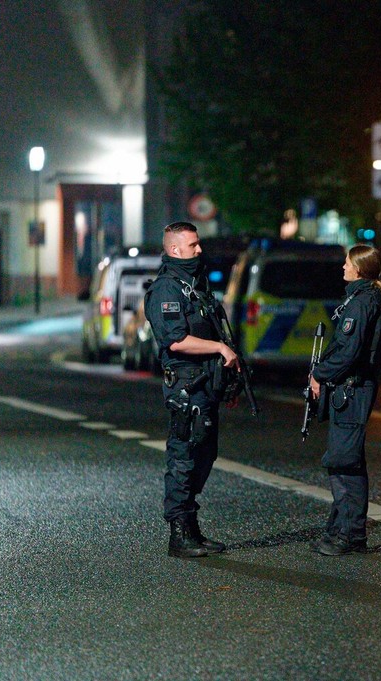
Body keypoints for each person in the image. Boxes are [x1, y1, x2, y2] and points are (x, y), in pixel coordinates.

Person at [145, 221, 238, 558]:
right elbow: (176, 340)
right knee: (184, 456)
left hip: (205, 384)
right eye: (193, 245)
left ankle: (192, 528)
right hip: (186, 387)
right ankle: (179, 533)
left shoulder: (194, 284)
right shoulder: (166, 289)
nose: (199, 249)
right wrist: (219, 348)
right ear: (175, 249)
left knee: (204, 454)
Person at [309, 244, 381, 556]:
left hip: (352, 390)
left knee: (345, 462)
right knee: (343, 460)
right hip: (350, 389)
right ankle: (339, 530)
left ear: (359, 268)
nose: (343, 267)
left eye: (347, 263)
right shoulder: (363, 298)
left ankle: (350, 536)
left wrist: (319, 374)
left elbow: (349, 353)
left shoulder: (362, 302)